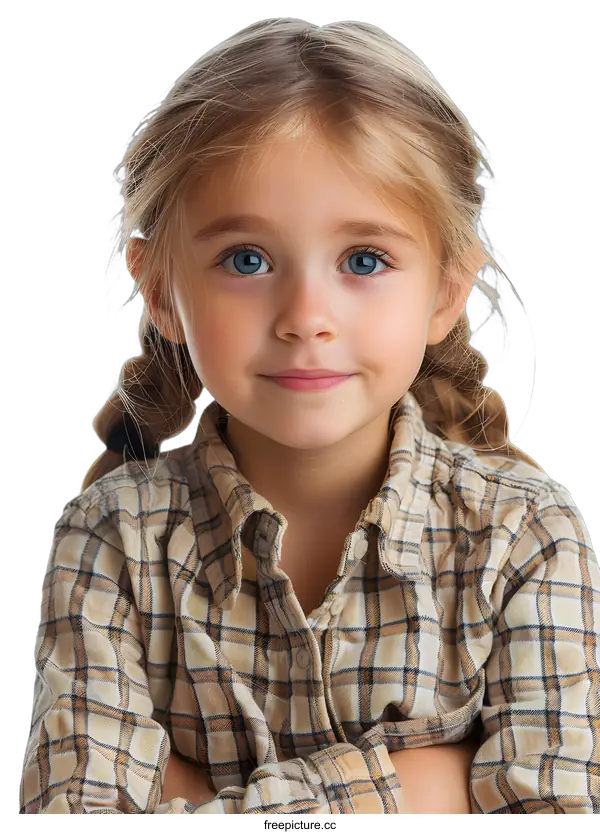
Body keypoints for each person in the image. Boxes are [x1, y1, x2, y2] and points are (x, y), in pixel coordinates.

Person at [18, 17, 599, 814]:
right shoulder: (109, 543)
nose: (305, 317)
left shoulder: (526, 539)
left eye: (364, 260)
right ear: (159, 289)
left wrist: (194, 798)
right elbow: (79, 825)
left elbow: (556, 822)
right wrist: (421, 785)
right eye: (246, 260)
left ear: (445, 288)